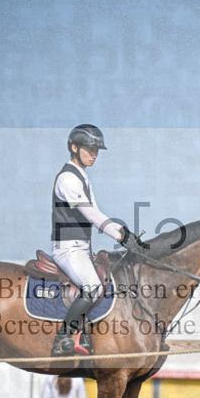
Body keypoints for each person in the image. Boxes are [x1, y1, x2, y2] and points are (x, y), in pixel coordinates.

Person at [47, 124, 147, 357]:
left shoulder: (82, 177)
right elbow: (92, 215)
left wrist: (124, 235)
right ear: (74, 147)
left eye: (97, 150)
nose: (94, 154)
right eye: (89, 149)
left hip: (81, 248)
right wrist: (123, 235)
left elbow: (96, 212)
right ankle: (62, 339)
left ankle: (91, 337)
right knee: (92, 287)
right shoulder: (67, 179)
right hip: (68, 249)